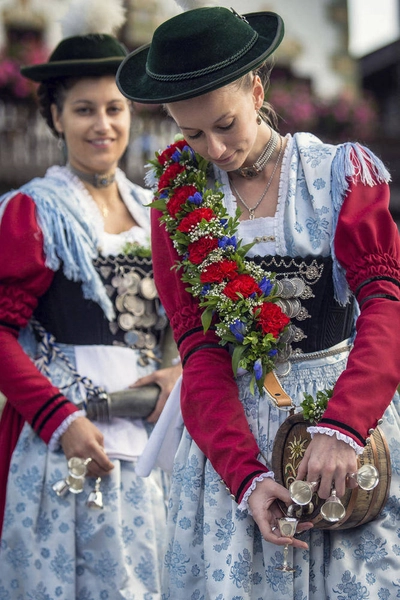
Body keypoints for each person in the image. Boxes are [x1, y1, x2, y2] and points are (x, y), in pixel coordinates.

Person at [116, 6, 400, 599]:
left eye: (226, 124)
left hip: (344, 425)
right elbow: (198, 350)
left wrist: (343, 428)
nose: (215, 149)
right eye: (191, 134)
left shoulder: (336, 174)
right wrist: (244, 477)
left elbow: (384, 303)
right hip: (233, 444)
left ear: (256, 87)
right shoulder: (176, 205)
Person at [0, 3, 181, 598]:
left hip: (150, 441)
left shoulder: (158, 215)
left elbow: (181, 320)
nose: (102, 125)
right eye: (83, 110)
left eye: (114, 108)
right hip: (68, 442)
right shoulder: (34, 212)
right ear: (53, 116)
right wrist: (60, 420)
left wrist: (180, 369)